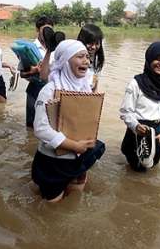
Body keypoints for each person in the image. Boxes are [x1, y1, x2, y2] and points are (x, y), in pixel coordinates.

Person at [31, 40, 105, 202]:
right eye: (80, 56)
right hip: (53, 160)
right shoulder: (49, 90)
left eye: (87, 56)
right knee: (52, 206)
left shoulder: (85, 87)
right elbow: (40, 129)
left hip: (78, 157)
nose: (86, 61)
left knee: (74, 199)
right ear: (65, 60)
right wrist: (74, 146)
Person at [119, 41, 160, 172]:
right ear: (149, 59)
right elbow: (125, 111)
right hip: (139, 129)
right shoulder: (136, 83)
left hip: (159, 131)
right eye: (157, 58)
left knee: (153, 165)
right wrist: (135, 126)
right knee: (136, 168)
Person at [19, 16, 54, 128]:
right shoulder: (29, 48)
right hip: (34, 91)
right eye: (44, 30)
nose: (47, 33)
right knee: (31, 127)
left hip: (52, 91)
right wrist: (34, 70)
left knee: (51, 125)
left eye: (49, 30)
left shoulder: (56, 47)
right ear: (37, 30)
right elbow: (22, 74)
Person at [77, 24, 105, 92]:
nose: (93, 47)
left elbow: (95, 86)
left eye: (97, 43)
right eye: (90, 43)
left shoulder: (97, 61)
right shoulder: (73, 59)